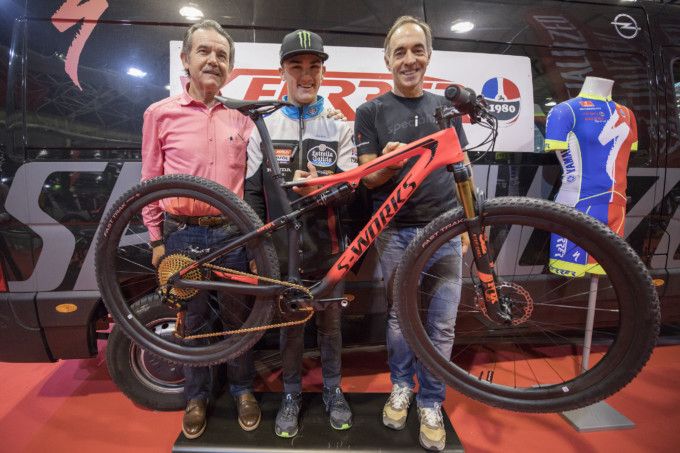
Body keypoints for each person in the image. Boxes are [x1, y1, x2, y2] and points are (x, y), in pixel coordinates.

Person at [141, 20, 261, 439]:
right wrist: (156, 240)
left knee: (239, 317)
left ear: (230, 67)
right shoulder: (159, 114)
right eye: (204, 51)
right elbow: (149, 182)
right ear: (185, 59)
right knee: (193, 319)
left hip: (233, 234)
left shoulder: (243, 119)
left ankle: (243, 390)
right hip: (183, 234)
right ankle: (197, 396)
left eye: (222, 55)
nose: (213, 60)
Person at [353, 16, 468, 452]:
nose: (409, 59)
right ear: (387, 60)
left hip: (446, 228)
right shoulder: (370, 111)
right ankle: (401, 386)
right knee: (401, 320)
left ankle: (431, 401)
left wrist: (470, 226)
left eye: (417, 50)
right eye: (399, 52)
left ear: (428, 56)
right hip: (395, 232)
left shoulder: (446, 110)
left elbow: (462, 168)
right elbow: (368, 179)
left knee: (441, 322)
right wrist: (389, 162)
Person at [245, 29, 356, 438]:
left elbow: (351, 190)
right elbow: (251, 195)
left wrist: (322, 190)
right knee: (290, 330)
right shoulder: (263, 126)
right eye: (297, 67)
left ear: (323, 73)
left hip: (328, 250)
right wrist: (258, 252)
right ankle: (290, 394)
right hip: (281, 255)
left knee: (330, 329)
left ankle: (332, 389)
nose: (306, 75)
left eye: (314, 67)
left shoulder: (340, 126)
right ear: (282, 71)